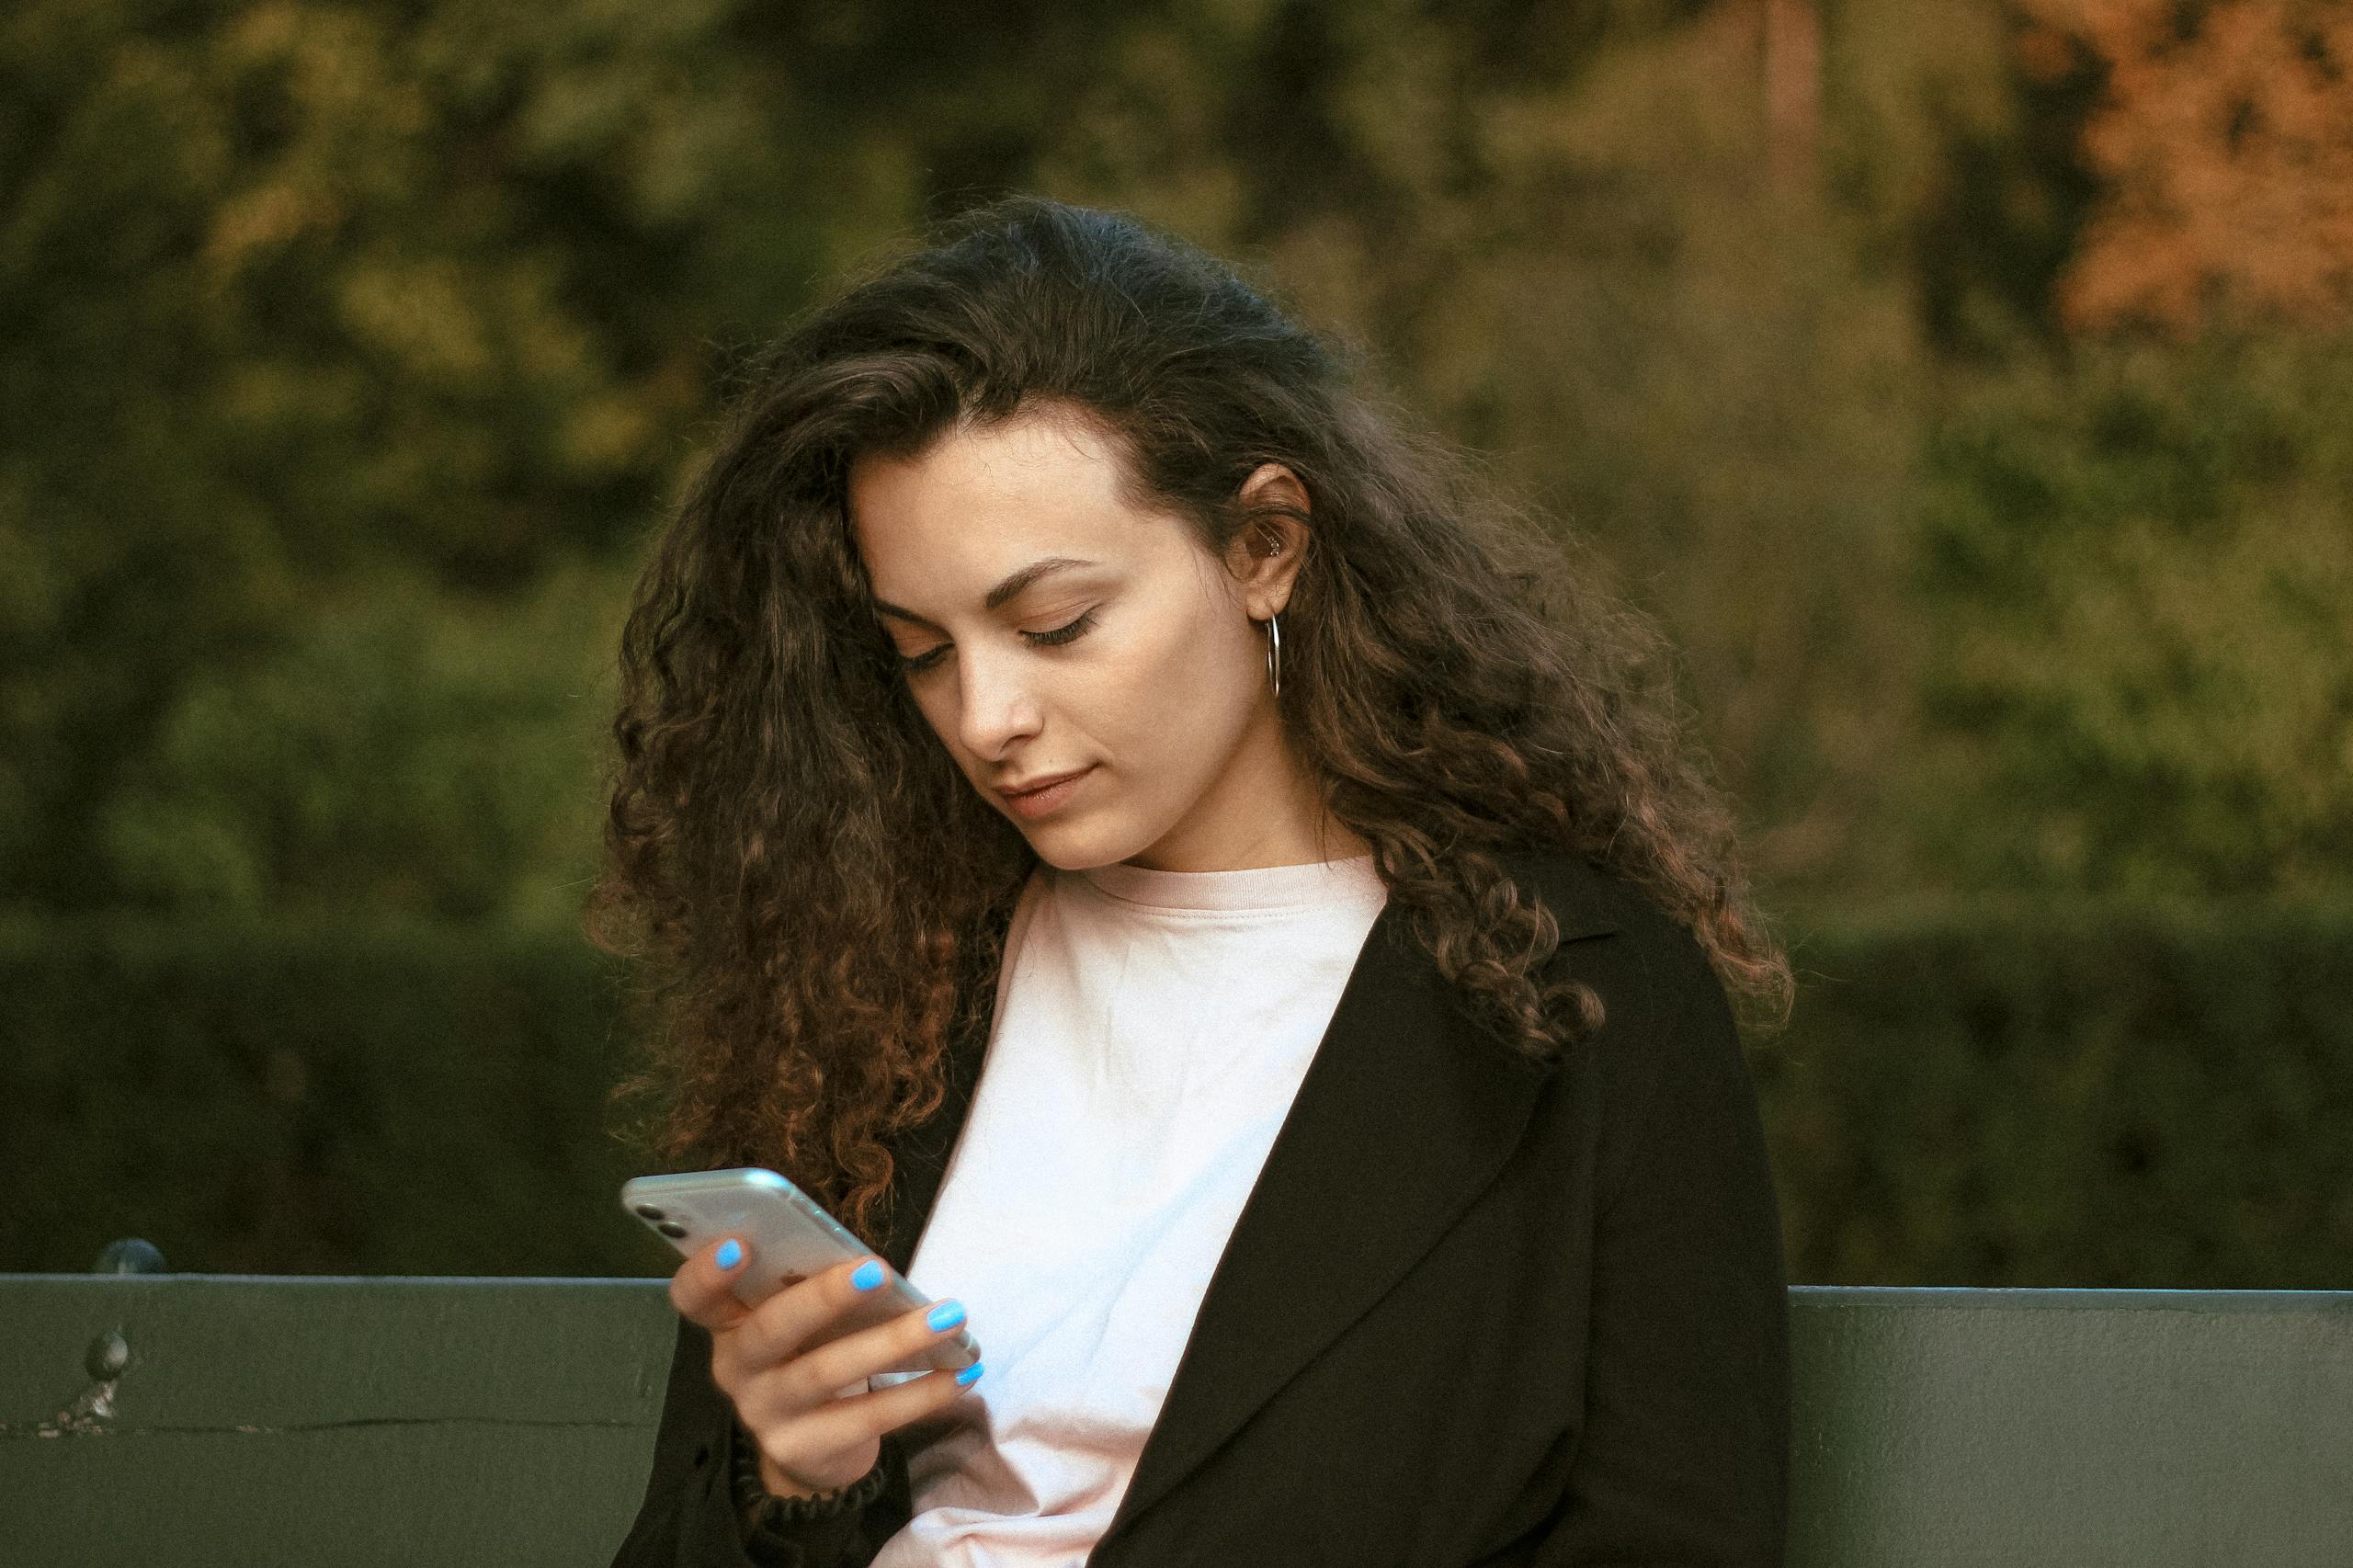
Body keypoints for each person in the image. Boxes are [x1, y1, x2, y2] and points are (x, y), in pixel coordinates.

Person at [595, 194, 1793, 1567]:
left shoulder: (1575, 993)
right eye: (922, 649)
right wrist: (793, 1480)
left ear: (1263, 546)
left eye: (1057, 623)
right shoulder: (877, 983)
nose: (987, 715)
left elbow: (1680, 1530)